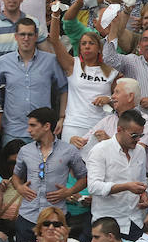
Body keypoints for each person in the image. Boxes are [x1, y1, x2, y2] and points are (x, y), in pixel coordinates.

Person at [12, 107, 87, 242]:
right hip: (28, 215)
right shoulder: (25, 151)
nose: (29, 130)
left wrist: (69, 192)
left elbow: (84, 178)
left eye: (33, 125)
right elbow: (16, 176)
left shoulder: (69, 151)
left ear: (47, 126)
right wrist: (19, 187)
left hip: (56, 218)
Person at [102, 17, 148, 146]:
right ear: (139, 45)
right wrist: (113, 30)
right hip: (136, 133)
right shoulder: (132, 61)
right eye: (145, 40)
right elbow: (109, 58)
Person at [0, 17, 66, 144]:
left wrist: (62, 117)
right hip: (13, 131)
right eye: (22, 34)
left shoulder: (50, 61)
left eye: (30, 34)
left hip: (43, 131)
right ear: (16, 36)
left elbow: (64, 88)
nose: (26, 38)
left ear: (36, 37)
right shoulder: (3, 62)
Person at [48, 9, 117, 142]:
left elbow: (119, 101)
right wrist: (55, 15)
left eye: (91, 43)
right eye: (83, 43)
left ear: (99, 48)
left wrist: (108, 99)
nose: (87, 46)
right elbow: (55, 41)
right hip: (74, 125)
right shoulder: (73, 65)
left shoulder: (111, 72)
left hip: (100, 126)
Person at [86, 109, 148, 241]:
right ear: (120, 129)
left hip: (135, 221)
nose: (138, 140)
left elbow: (142, 181)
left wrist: (144, 194)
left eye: (140, 136)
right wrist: (125, 186)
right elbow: (93, 187)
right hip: (108, 225)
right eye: (134, 136)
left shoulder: (140, 151)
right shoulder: (100, 150)